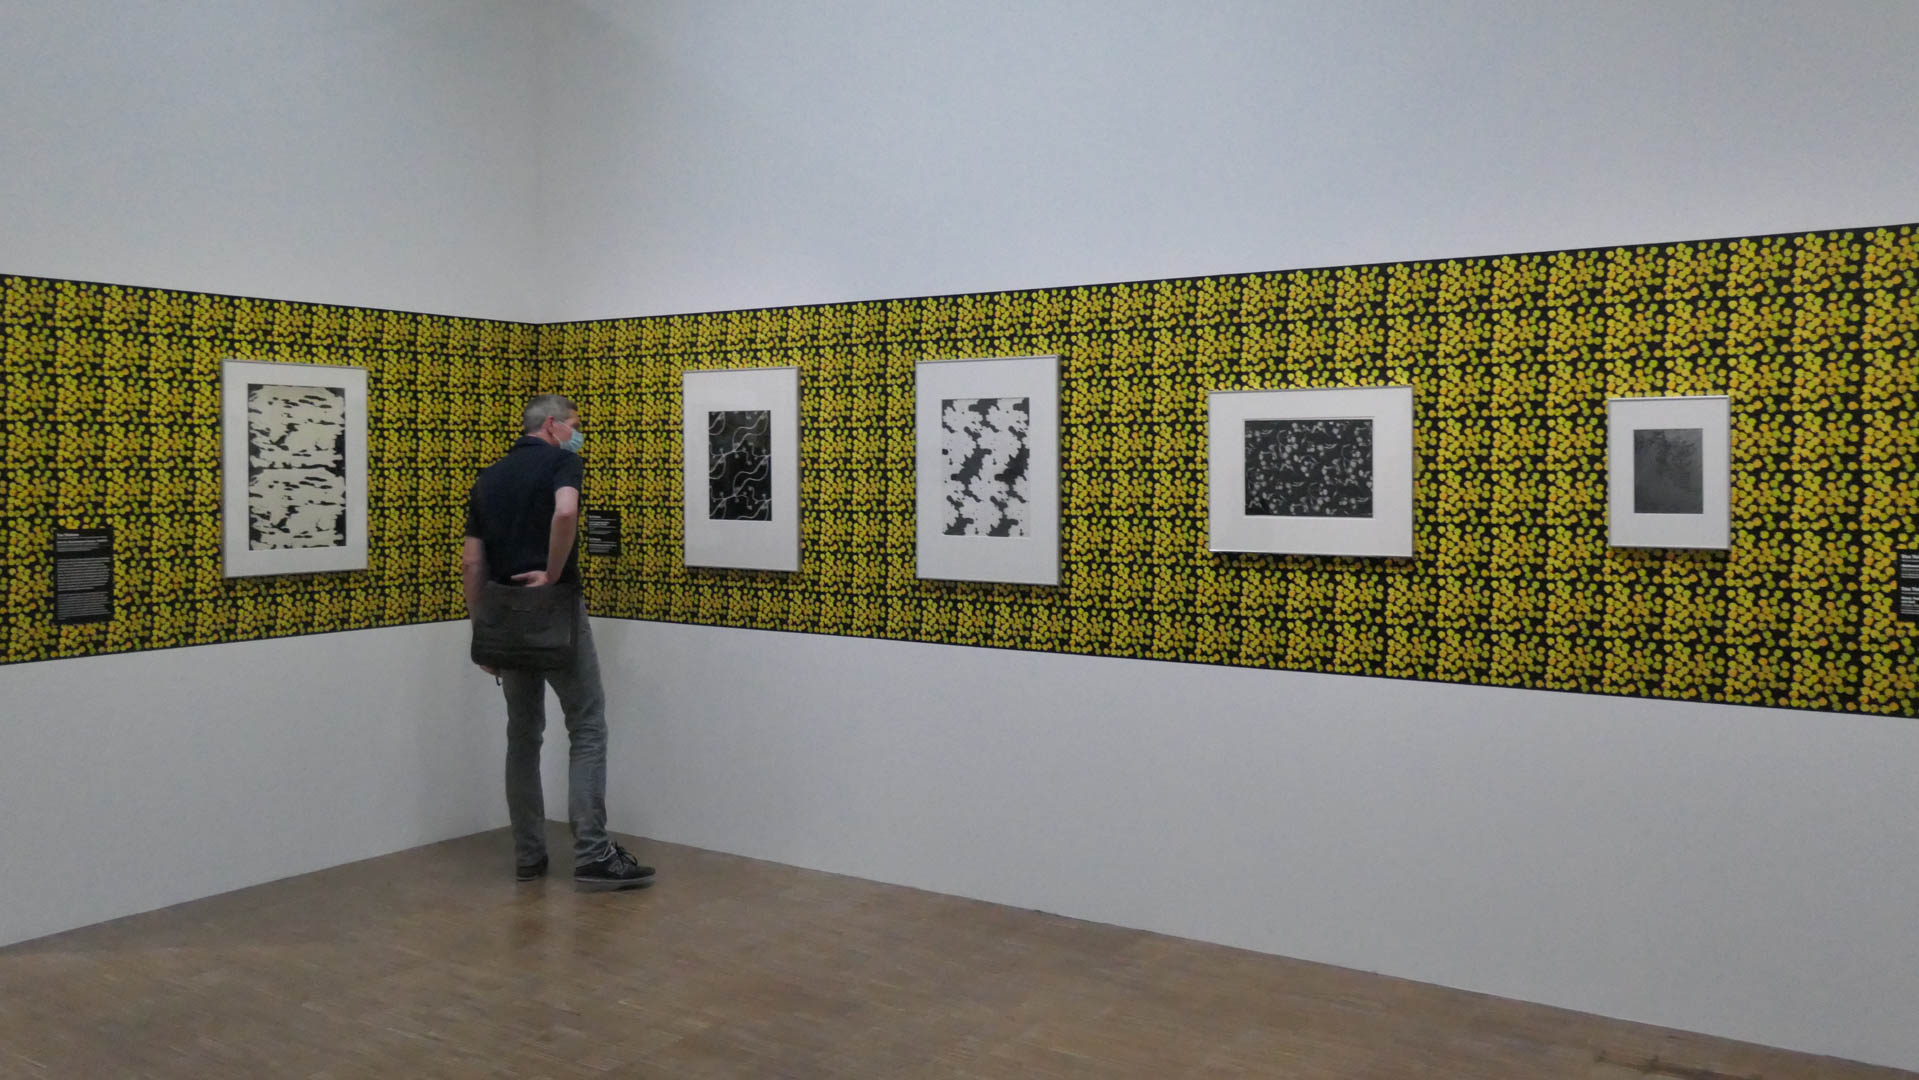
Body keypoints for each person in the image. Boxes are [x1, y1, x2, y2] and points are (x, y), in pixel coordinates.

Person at [462, 394, 654, 890]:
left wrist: (482, 630)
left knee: (523, 735)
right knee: (586, 727)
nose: (577, 434)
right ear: (551, 425)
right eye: (574, 425)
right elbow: (566, 513)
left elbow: (471, 562)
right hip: (555, 612)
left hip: (505, 616)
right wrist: (550, 573)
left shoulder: (488, 478)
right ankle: (593, 854)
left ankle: (528, 855)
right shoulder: (562, 463)